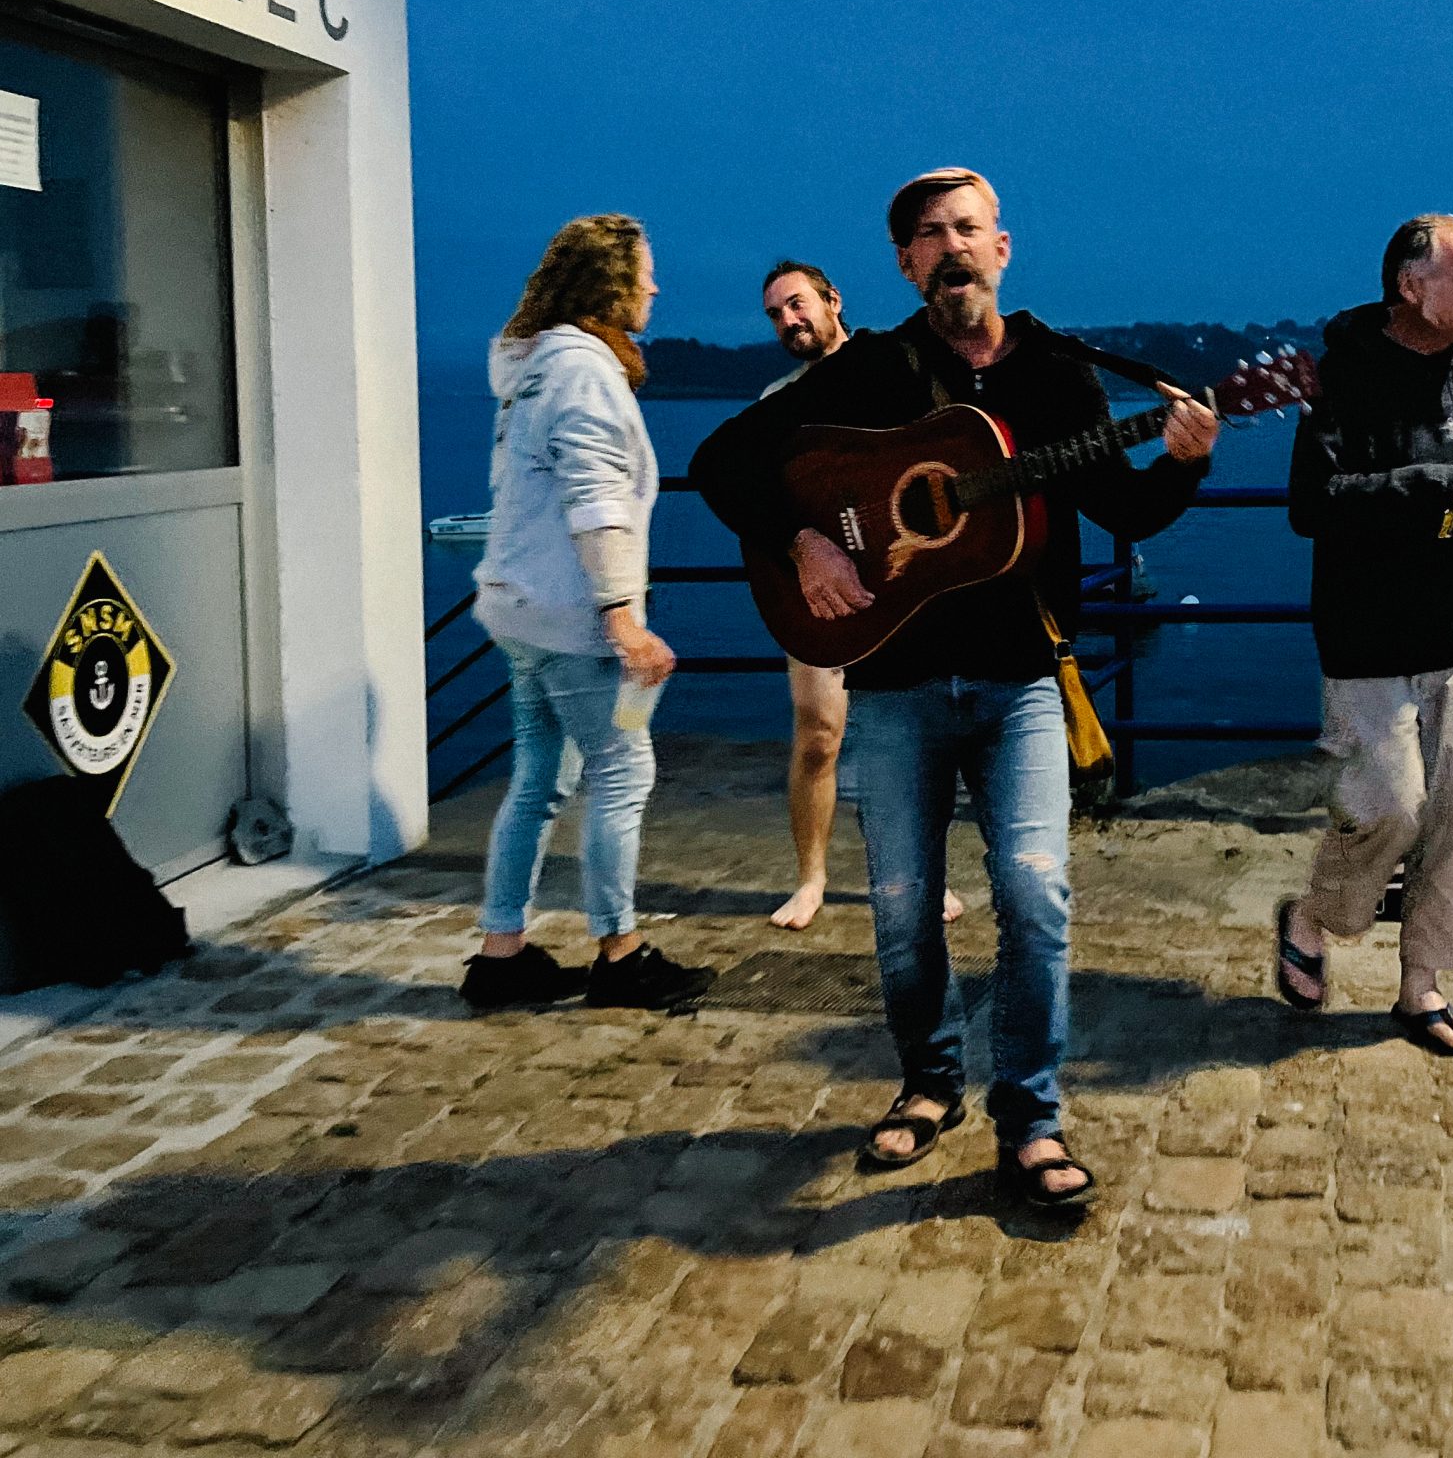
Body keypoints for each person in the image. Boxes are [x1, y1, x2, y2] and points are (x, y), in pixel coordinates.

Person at [691, 168, 1218, 1203]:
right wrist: (804, 542)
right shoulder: (871, 370)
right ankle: (929, 1084)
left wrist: (1185, 461)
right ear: (904, 264)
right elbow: (723, 462)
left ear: (1002, 247)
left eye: (968, 228)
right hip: (894, 677)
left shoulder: (1061, 375)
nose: (952, 248)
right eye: (929, 236)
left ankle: (1032, 1119)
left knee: (1034, 893)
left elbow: (1127, 510)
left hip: (1022, 676)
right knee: (901, 909)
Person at [1274, 214, 1453, 1056]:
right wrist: (1431, 486)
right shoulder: (1342, 371)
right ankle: (1313, 916)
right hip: (1368, 637)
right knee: (1390, 810)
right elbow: (1312, 503)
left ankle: (1423, 988)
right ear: (1411, 287)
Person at [461, 214, 714, 1013]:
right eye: (644, 272)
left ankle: (502, 958)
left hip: (520, 612)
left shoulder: (537, 369)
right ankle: (620, 957)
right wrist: (621, 616)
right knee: (622, 771)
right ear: (610, 283)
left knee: (540, 778)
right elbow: (596, 498)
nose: (655, 287)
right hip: (573, 619)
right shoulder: (583, 371)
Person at [753, 258, 967, 934]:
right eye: (776, 314)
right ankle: (811, 878)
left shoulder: (891, 373)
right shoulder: (776, 401)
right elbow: (757, 502)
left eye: (797, 304)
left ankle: (926, 874)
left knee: (918, 736)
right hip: (818, 589)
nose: (789, 320)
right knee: (819, 736)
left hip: (900, 585)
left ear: (832, 300)